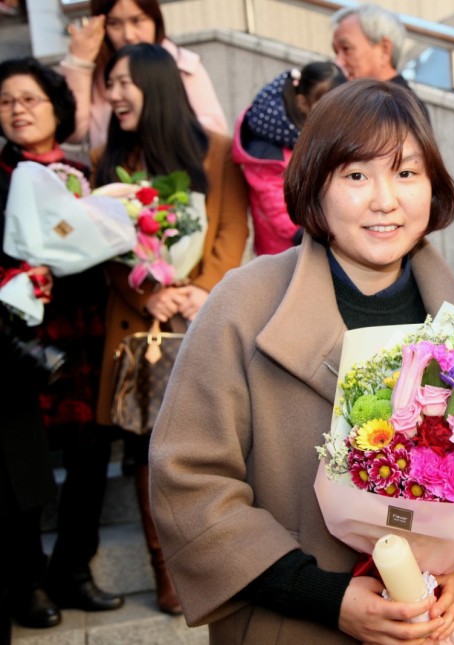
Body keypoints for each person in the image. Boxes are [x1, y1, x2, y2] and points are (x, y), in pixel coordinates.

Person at [148, 79, 454, 644]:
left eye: (406, 173)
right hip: (287, 622)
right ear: (314, 186)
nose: (385, 200)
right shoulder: (244, 306)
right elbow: (188, 480)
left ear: (434, 186)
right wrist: (323, 595)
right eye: (356, 176)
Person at [90, 42, 249, 615]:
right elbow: (103, 245)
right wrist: (148, 290)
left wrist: (200, 288)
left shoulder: (215, 150)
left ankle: (219, 557)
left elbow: (232, 228)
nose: (114, 95)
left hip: (204, 320)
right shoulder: (108, 158)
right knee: (147, 451)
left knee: (216, 442)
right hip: (143, 328)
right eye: (110, 84)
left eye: (124, 83)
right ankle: (167, 570)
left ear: (155, 85)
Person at [0, 56, 122, 632]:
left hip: (85, 328)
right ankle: (23, 582)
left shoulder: (80, 173)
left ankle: (73, 568)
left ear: (57, 108)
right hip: (17, 339)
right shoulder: (2, 175)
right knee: (19, 466)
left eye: (29, 99)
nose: (17, 110)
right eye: (6, 102)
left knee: (91, 454)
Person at [60, 0, 227, 151]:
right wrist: (79, 63)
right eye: (114, 23)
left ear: (155, 19)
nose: (128, 35)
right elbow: (73, 132)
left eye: (137, 20)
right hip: (114, 172)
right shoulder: (97, 72)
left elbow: (215, 133)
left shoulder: (182, 64)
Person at [233, 61, 346, 256]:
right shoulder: (268, 147)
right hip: (285, 250)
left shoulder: (314, 131)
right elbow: (275, 206)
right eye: (327, 106)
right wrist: (304, 234)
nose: (335, 114)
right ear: (302, 103)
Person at [330, 4, 429, 119]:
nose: (337, 62)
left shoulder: (402, 108)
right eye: (336, 52)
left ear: (385, 50)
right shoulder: (353, 97)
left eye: (346, 49)